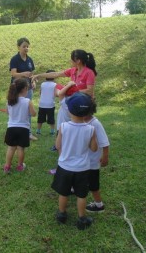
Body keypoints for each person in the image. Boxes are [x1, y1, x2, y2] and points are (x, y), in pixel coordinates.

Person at [51, 92, 98, 230]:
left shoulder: (64, 127)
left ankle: (61, 214)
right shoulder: (91, 129)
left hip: (64, 167)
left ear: (69, 109)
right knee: (81, 195)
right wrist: (92, 137)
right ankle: (82, 218)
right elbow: (94, 149)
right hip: (83, 168)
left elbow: (58, 146)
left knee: (64, 192)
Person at [3, 78, 36, 173]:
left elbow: (8, 113)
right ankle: (20, 166)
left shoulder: (9, 101)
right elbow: (33, 114)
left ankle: (7, 166)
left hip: (11, 128)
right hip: (23, 129)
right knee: (21, 148)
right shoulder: (27, 101)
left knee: (11, 148)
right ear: (25, 89)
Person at [32, 49, 97, 98]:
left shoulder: (89, 73)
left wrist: (71, 91)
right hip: (74, 102)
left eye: (71, 59)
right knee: (56, 87)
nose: (70, 61)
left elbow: (90, 91)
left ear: (78, 61)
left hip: (85, 103)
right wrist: (39, 75)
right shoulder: (73, 70)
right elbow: (55, 74)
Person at [9, 37, 37, 141]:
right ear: (18, 47)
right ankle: (13, 130)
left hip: (28, 89)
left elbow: (32, 74)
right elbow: (13, 74)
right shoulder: (14, 59)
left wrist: (33, 81)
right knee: (15, 109)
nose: (26, 48)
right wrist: (23, 74)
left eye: (27, 46)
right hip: (17, 89)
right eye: (24, 46)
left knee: (27, 110)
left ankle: (28, 133)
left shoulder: (30, 60)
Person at [84, 101, 110, 213]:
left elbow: (105, 143)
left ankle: (99, 205)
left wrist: (105, 157)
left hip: (93, 162)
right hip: (84, 161)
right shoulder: (82, 121)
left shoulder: (95, 124)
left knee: (93, 185)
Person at [36, 70, 57, 136]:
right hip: (50, 104)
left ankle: (38, 131)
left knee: (40, 118)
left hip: (42, 104)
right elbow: (55, 94)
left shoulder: (42, 84)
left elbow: (40, 93)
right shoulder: (55, 85)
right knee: (51, 118)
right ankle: (52, 131)